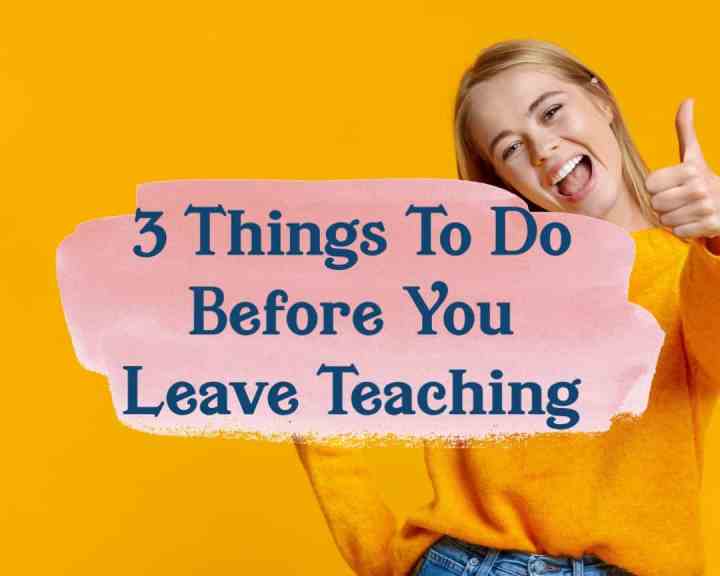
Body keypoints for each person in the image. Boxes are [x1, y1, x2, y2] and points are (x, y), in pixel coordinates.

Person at [295, 40, 720, 576]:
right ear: (502, 179)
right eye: (510, 149)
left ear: (601, 101)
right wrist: (386, 558)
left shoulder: (691, 270)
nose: (542, 148)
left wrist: (717, 237)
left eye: (550, 111)